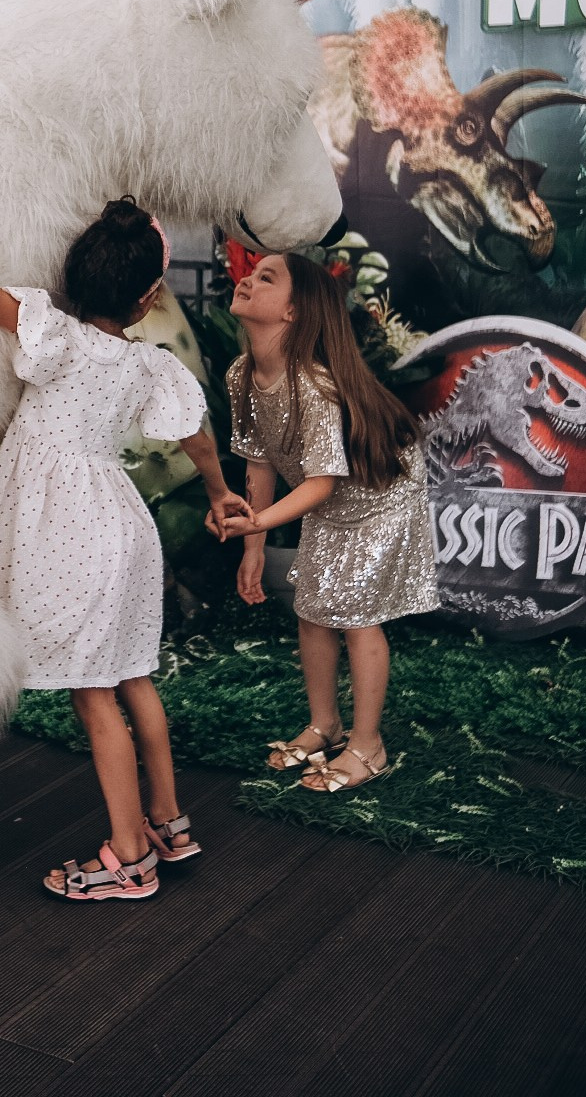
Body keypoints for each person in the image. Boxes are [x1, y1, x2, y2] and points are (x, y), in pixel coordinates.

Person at [0, 146, 246, 901]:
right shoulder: (147, 367)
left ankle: (128, 855)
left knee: (95, 695)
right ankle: (168, 821)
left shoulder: (56, 337)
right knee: (134, 680)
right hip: (122, 527)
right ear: (147, 300)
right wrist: (221, 490)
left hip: (73, 534)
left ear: (75, 276)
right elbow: (195, 431)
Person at [208, 252, 439, 793]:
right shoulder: (242, 373)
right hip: (329, 503)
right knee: (313, 608)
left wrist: (257, 521)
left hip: (381, 496)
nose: (247, 277)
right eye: (252, 271)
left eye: (266, 277)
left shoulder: (314, 387)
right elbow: (259, 460)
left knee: (356, 613)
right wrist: (255, 548)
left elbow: (319, 484)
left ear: (293, 312)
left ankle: (368, 744)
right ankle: (324, 724)